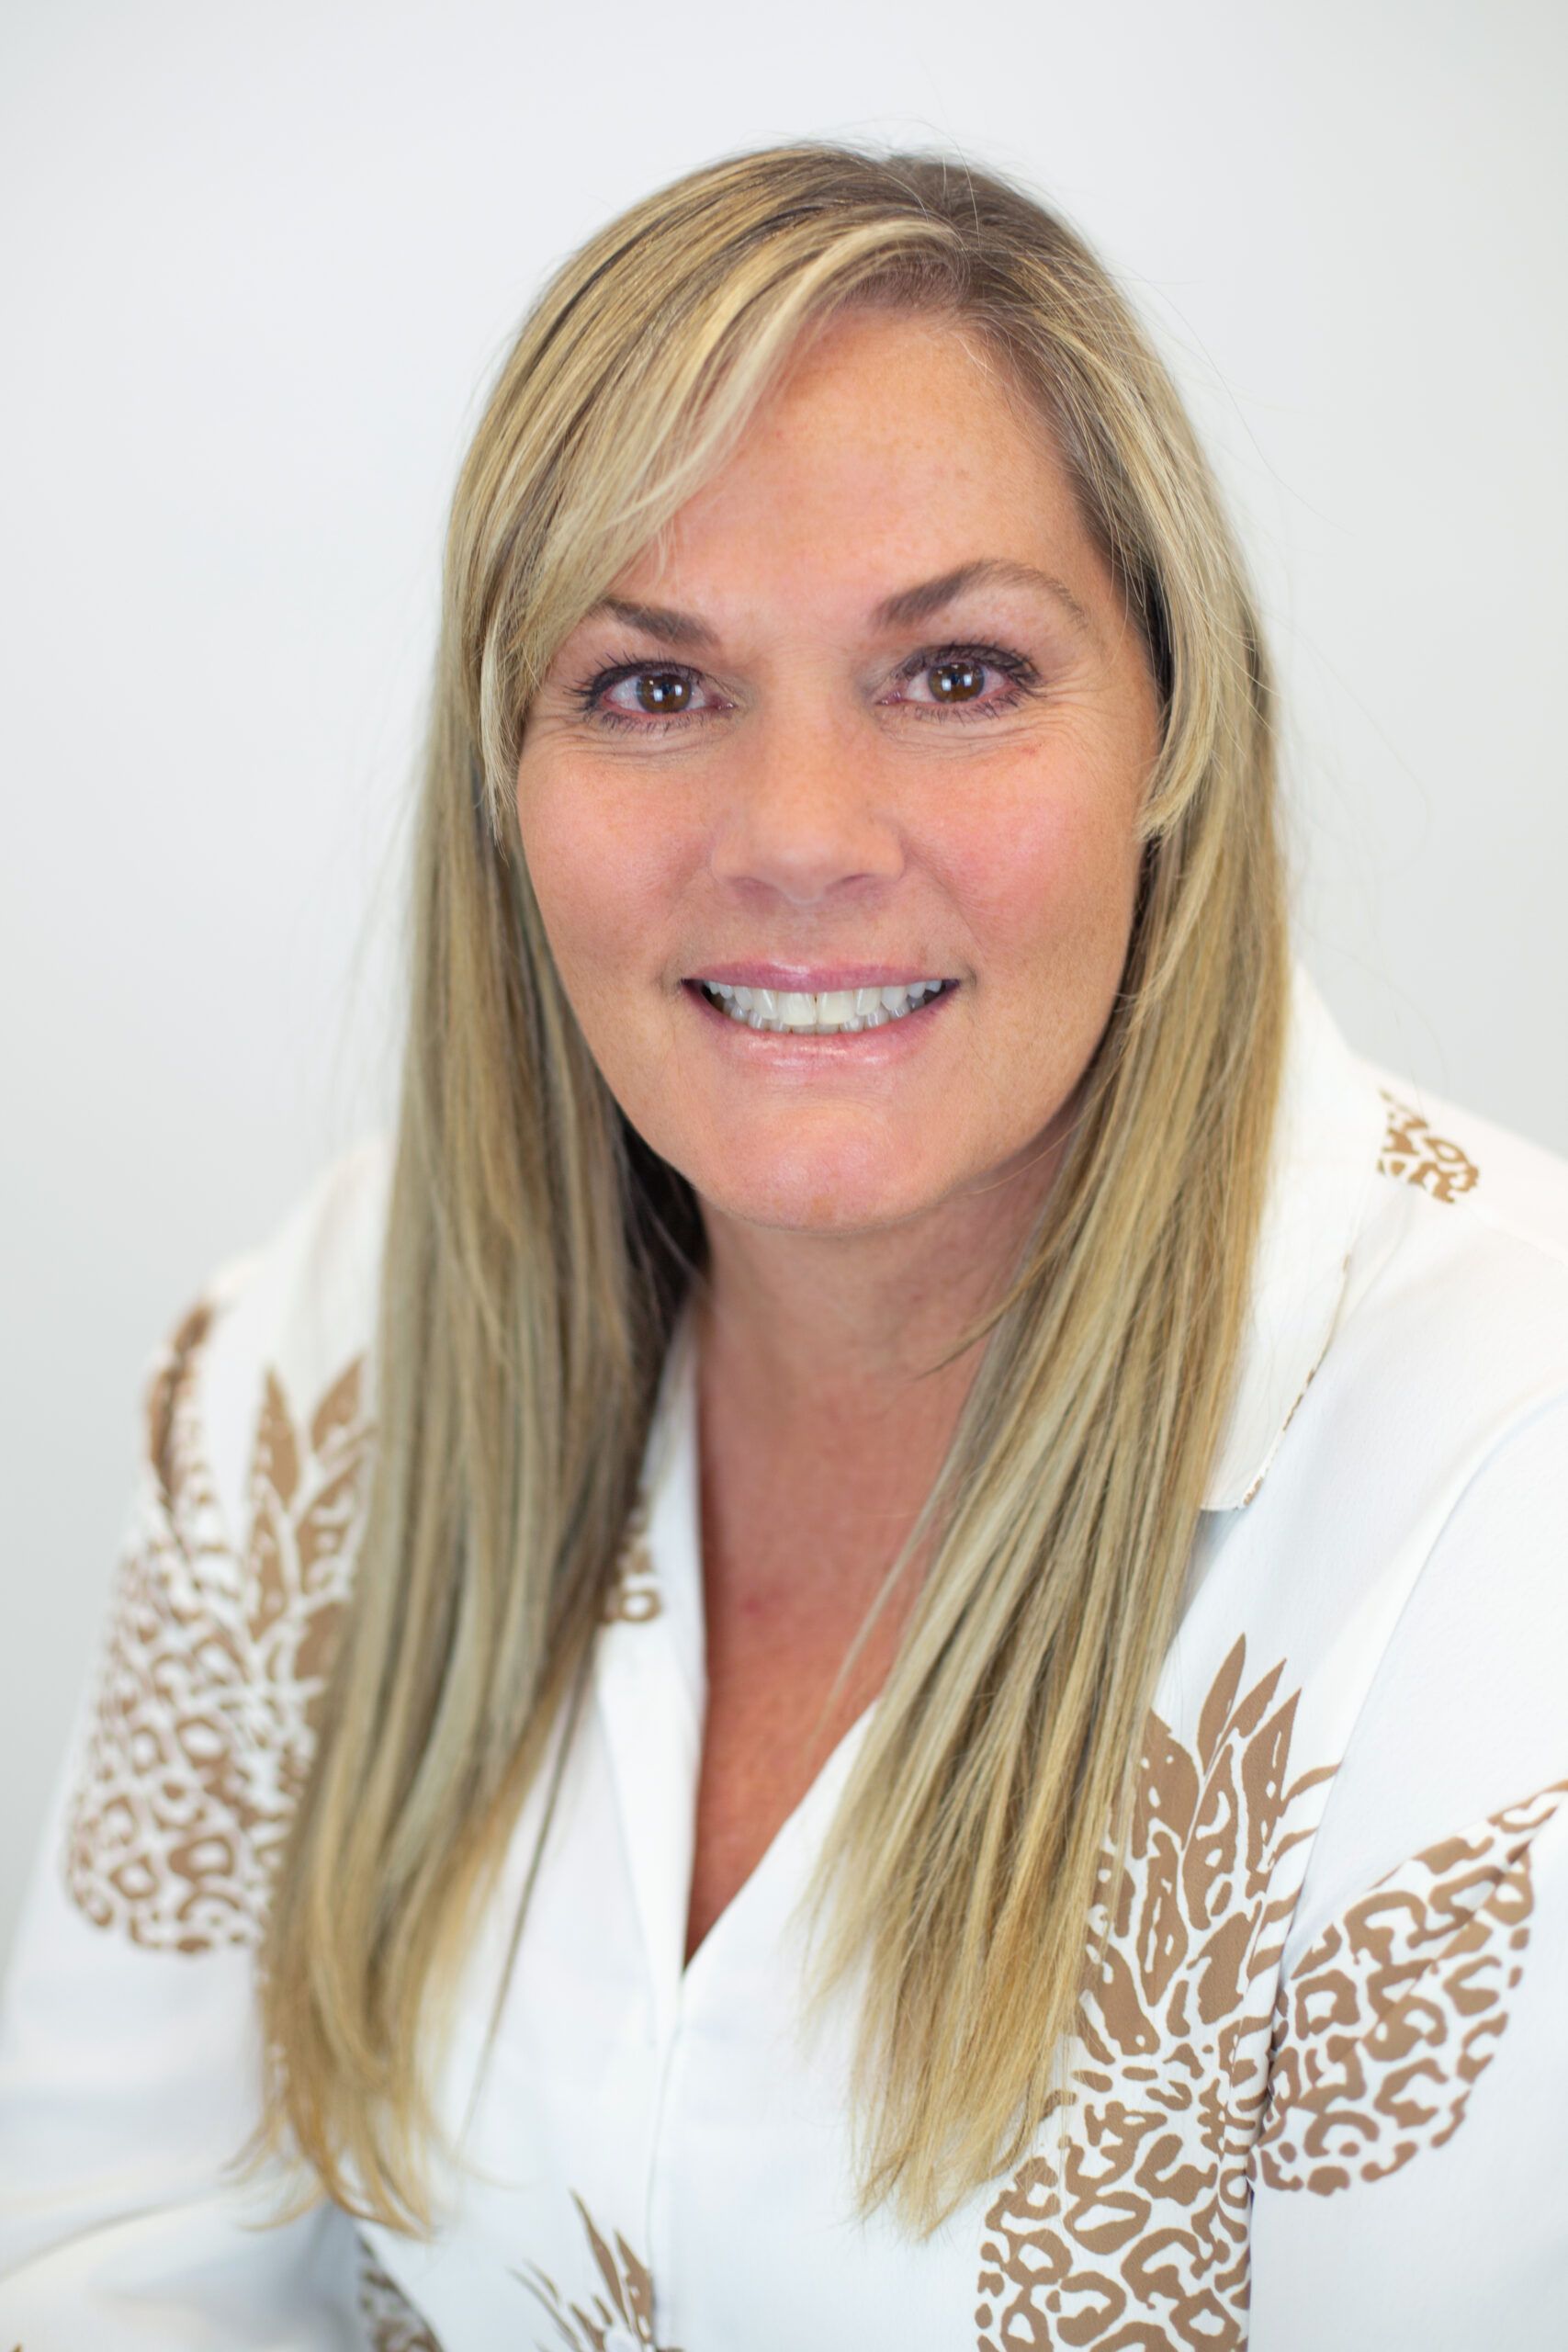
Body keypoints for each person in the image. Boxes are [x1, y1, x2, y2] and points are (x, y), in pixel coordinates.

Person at [1, 139, 1564, 2352]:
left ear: (1171, 739)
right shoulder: (315, 1360)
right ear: (503, 781)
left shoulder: (1516, 1496)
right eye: (650, 687)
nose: (800, 837)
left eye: (955, 675)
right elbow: (118, 2271)